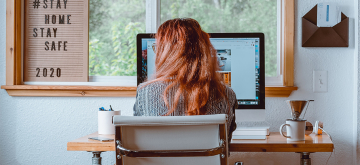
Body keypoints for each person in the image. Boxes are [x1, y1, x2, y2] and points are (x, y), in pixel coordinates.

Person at [133, 18, 238, 142]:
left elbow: (140, 139)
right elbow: (225, 144)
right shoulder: (226, 94)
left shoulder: (145, 92)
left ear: (165, 53)